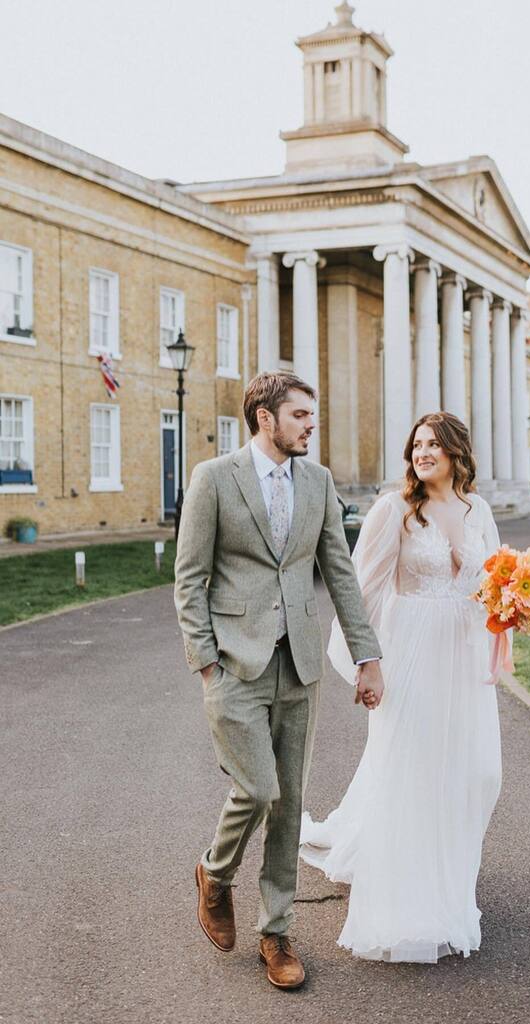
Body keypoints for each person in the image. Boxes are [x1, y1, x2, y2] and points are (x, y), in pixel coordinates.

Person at [174, 372, 384, 991]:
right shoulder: (214, 478)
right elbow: (189, 579)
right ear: (265, 418)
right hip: (234, 663)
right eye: (299, 415)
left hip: (299, 665)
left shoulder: (318, 483)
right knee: (258, 787)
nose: (310, 425)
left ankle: (277, 931)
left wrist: (367, 655)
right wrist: (206, 661)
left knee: (289, 800)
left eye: (311, 415)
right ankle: (215, 874)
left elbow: (339, 575)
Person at [300, 412, 503, 963]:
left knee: (477, 772)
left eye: (434, 444)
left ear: (458, 451)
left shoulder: (477, 509)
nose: (423, 452)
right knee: (411, 770)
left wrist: (522, 604)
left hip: (464, 657)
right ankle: (409, 902)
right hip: (412, 649)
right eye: (417, 444)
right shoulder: (395, 510)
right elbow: (361, 590)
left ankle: (451, 877)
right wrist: (368, 662)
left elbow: (495, 582)